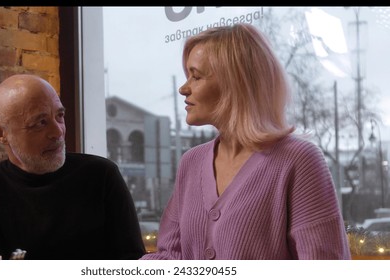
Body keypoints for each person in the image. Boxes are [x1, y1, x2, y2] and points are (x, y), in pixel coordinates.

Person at [140, 24, 351, 260]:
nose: (183, 88)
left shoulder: (299, 159)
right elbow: (170, 257)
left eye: (196, 76)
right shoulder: (191, 161)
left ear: (235, 82)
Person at [0, 74, 146, 260]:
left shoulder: (102, 175)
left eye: (60, 116)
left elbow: (133, 263)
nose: (58, 131)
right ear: (1, 133)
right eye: (40, 123)